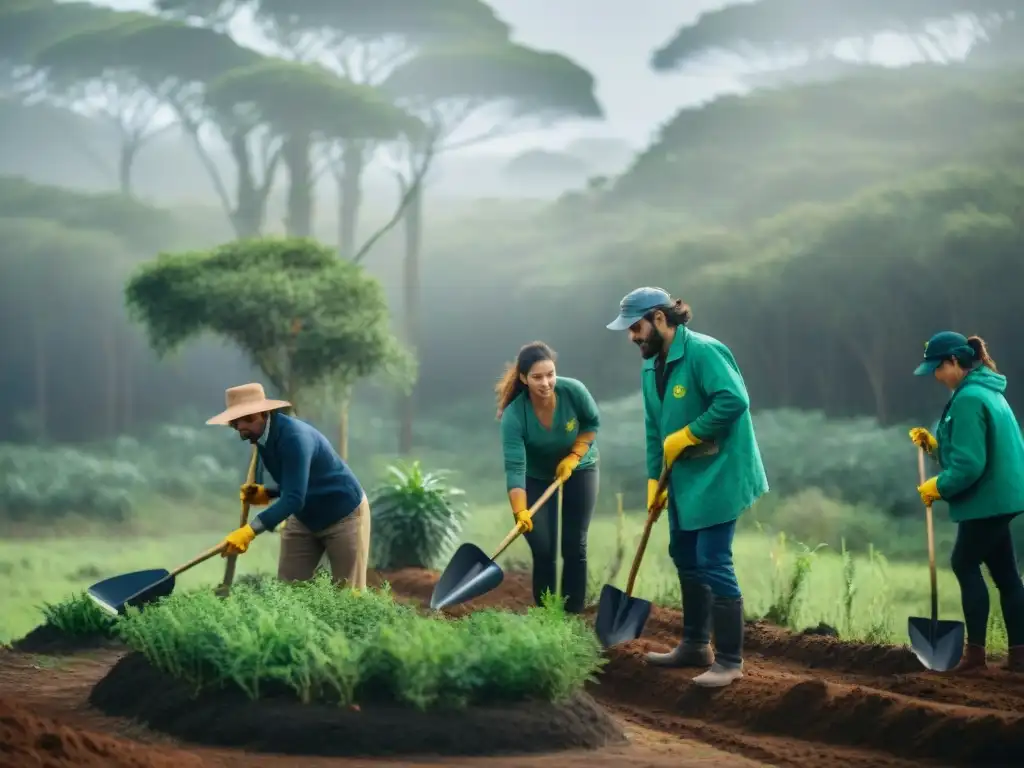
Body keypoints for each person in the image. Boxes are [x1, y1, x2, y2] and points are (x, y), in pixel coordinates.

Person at [606, 287, 768, 688]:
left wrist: (689, 434)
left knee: (713, 558)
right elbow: (653, 429)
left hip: (720, 470)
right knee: (683, 551)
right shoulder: (651, 364)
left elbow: (734, 400)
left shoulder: (704, 352)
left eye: (636, 327)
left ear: (660, 318)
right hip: (681, 475)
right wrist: (652, 479)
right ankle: (695, 644)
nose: (632, 336)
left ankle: (730, 661)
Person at [909, 332, 1024, 673]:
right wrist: (932, 446)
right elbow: (965, 449)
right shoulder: (985, 391)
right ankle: (1019, 655)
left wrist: (938, 487)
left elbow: (970, 465)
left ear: (954, 362)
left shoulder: (969, 399)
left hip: (988, 497)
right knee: (1005, 574)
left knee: (964, 562)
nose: (935, 375)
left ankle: (975, 656)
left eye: (937, 367)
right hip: (1004, 495)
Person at [207, 382, 371, 589]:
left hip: (344, 514)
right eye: (236, 422)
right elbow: (295, 483)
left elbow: (294, 498)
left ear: (265, 414)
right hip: (305, 516)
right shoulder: (261, 438)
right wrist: (268, 493)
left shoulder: (294, 438)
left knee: (348, 593)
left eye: (247, 419)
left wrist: (249, 531)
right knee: (289, 590)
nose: (241, 427)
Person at [496, 341, 601, 614]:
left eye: (550, 374)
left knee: (574, 544)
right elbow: (515, 467)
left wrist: (573, 456)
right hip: (537, 475)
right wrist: (520, 511)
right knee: (543, 547)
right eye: (537, 377)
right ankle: (545, 614)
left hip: (580, 468)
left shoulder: (573, 391)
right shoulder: (515, 416)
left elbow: (591, 423)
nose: (546, 383)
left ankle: (572, 612)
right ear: (523, 378)